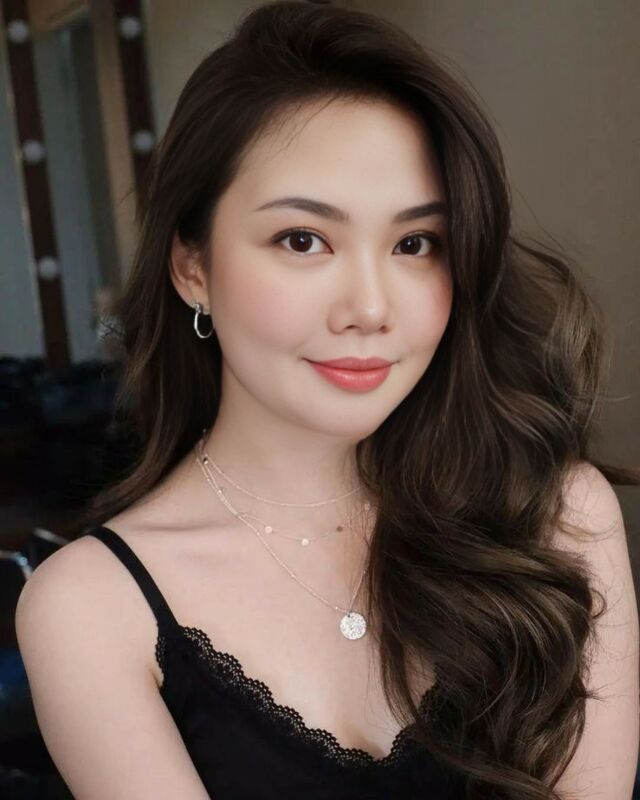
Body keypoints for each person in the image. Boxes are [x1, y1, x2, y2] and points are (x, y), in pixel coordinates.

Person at [15, 2, 639, 798]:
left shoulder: (557, 519)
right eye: (303, 240)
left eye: (415, 243)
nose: (370, 308)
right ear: (192, 266)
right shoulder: (91, 609)